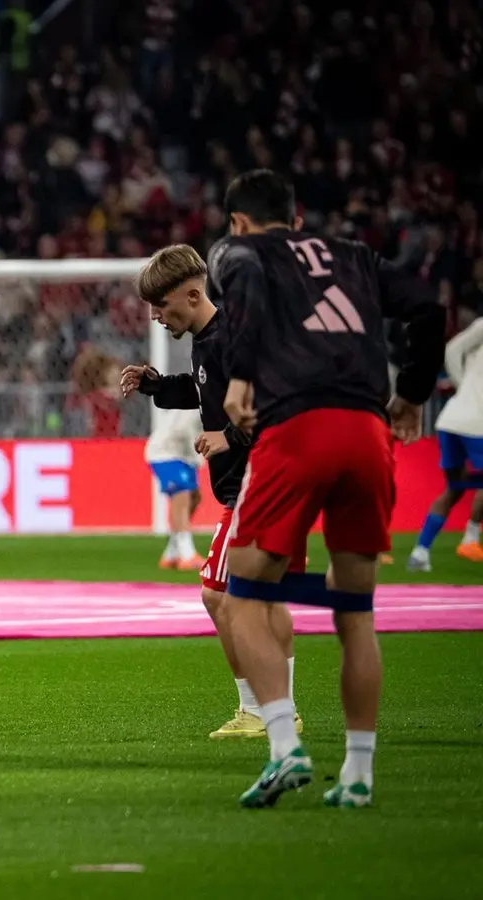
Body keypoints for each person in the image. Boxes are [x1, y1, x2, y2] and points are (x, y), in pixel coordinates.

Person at [211, 170, 443, 809]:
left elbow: (247, 285)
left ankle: (285, 746)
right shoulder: (355, 256)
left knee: (243, 596)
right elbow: (427, 305)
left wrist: (239, 376)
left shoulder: (239, 252)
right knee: (355, 610)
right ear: (298, 215)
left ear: (238, 222)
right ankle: (359, 774)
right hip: (370, 434)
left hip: (296, 429)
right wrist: (414, 393)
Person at [121, 243, 301, 741]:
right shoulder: (210, 342)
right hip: (251, 486)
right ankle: (276, 709)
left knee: (217, 595)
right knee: (256, 599)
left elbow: (276, 405)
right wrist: (156, 385)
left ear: (193, 294)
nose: (156, 316)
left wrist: (232, 436)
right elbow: (204, 391)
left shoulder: (233, 340)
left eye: (162, 305)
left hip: (257, 484)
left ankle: (260, 710)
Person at [407, 312, 483, 571]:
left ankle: (420, 553)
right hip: (476, 423)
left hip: (450, 420)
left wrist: (463, 389)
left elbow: (452, 349)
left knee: (455, 487)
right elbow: (451, 349)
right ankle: (471, 538)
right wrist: (463, 385)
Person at [143, 407, 203, 569]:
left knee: (195, 498)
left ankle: (171, 553)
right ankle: (187, 554)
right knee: (181, 495)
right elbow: (183, 429)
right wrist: (198, 457)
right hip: (165, 452)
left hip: (184, 454)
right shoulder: (202, 399)